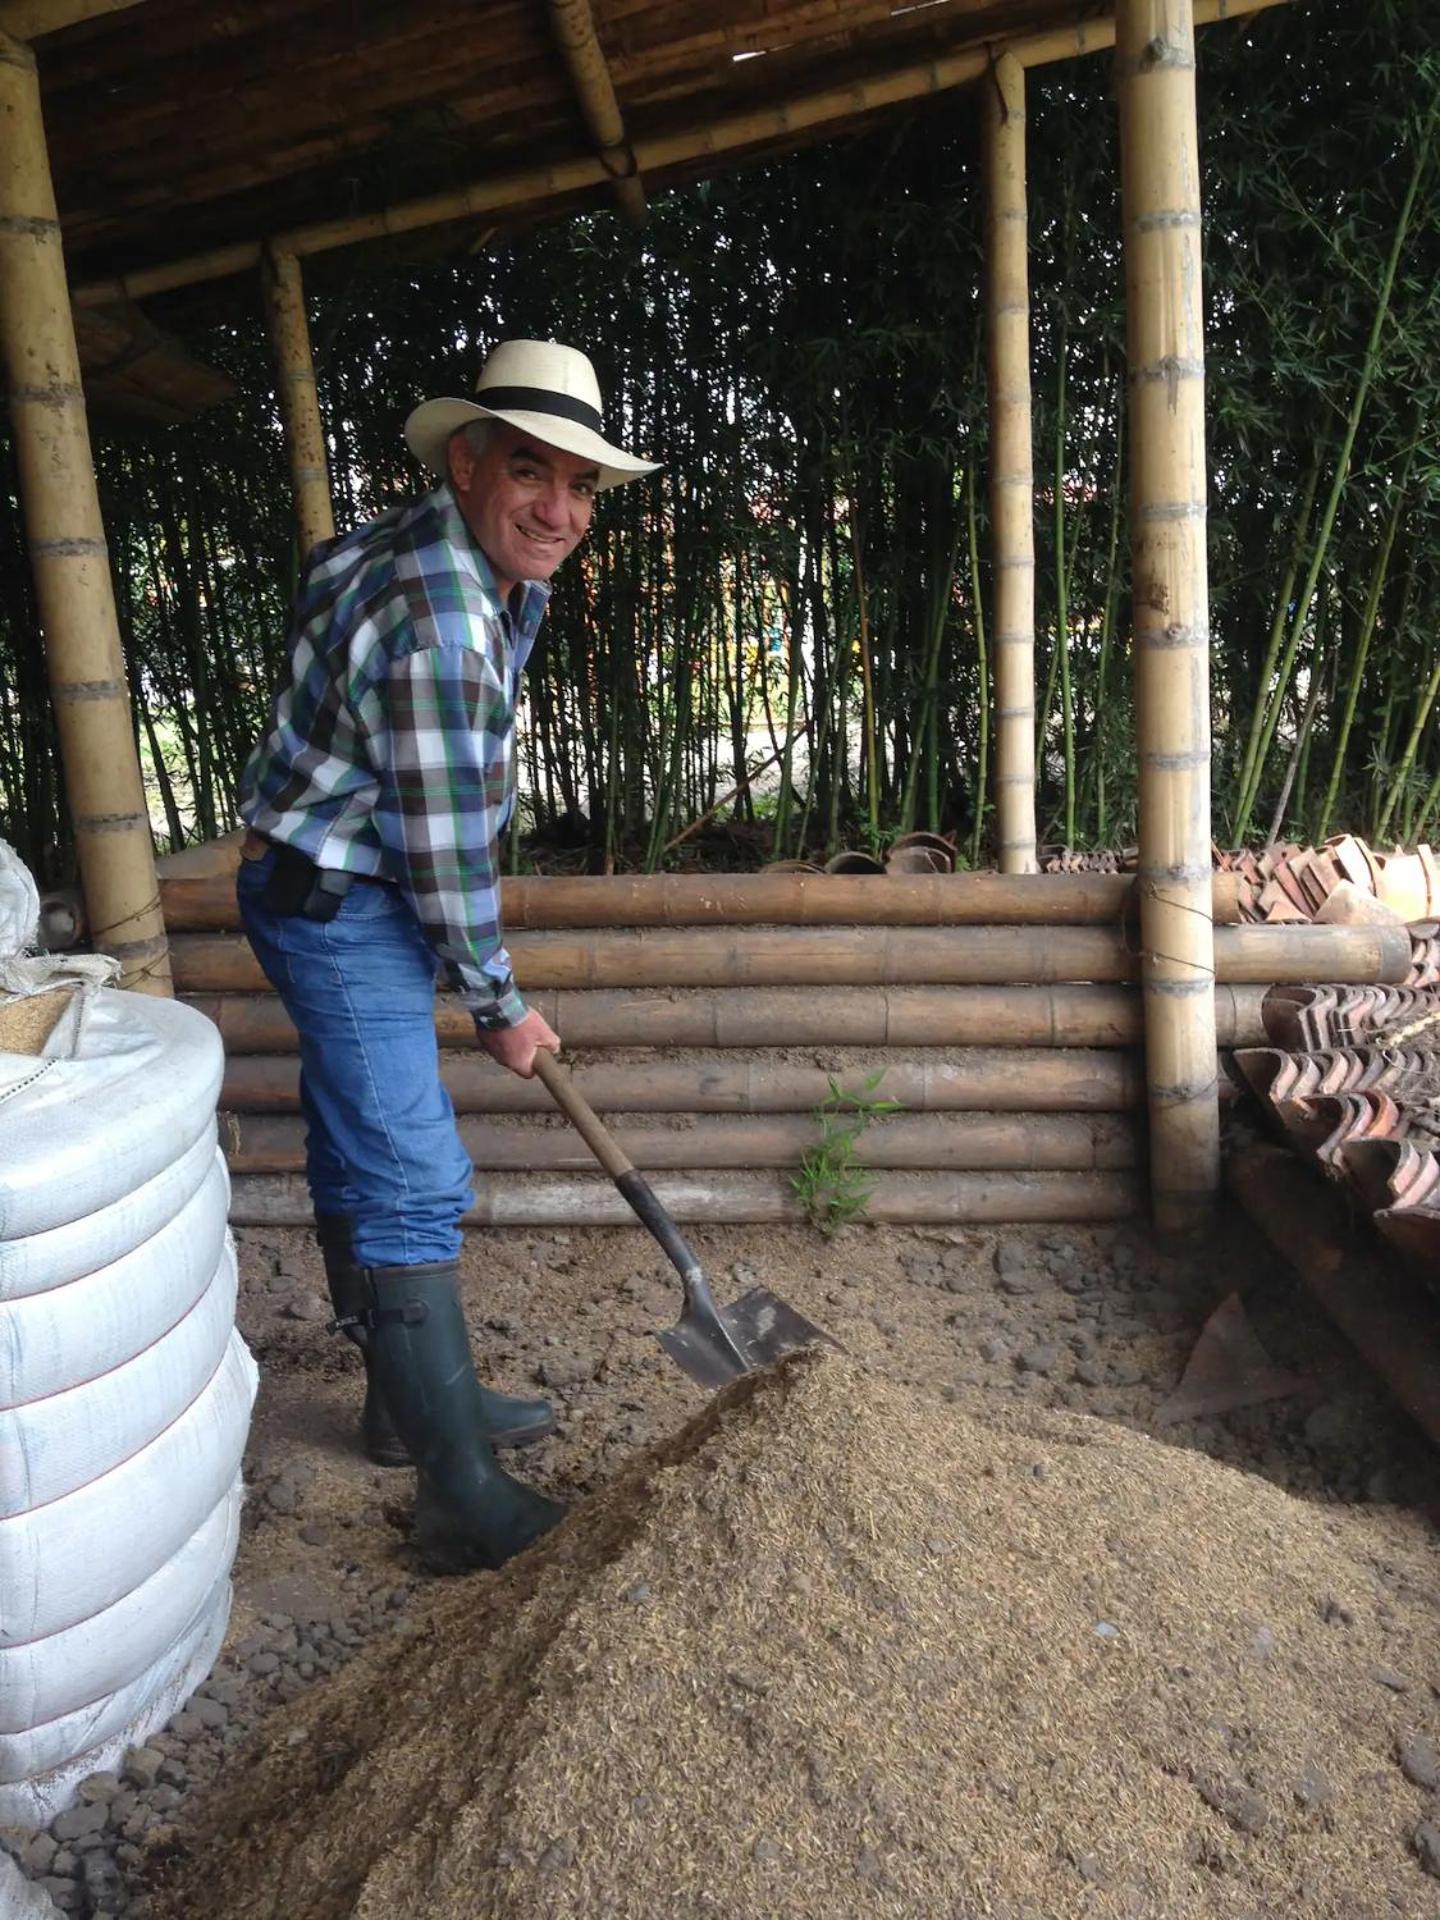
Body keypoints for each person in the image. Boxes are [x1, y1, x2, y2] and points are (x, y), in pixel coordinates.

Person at [235, 340, 659, 1574]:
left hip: (326, 871)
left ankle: (403, 1405)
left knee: (353, 1134)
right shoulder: (444, 628)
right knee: (412, 1170)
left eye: (583, 487)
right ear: (466, 460)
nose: (563, 512)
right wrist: (500, 1004)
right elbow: (445, 849)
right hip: (341, 897)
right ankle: (459, 1495)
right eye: (533, 473)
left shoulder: (446, 555)